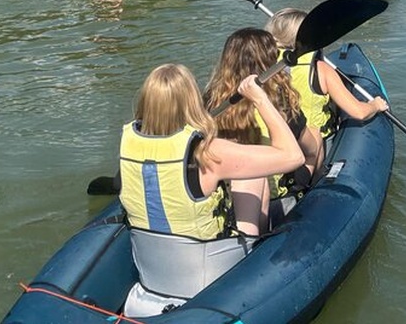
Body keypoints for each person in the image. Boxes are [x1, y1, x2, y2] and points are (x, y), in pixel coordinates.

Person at [119, 63, 302, 315]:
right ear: (191, 102)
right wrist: (260, 99)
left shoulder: (128, 145)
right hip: (209, 280)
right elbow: (293, 157)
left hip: (153, 278)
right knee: (251, 178)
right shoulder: (208, 152)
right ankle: (257, 252)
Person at [204, 28, 322, 220]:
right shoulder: (280, 103)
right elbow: (309, 149)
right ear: (270, 60)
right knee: (315, 137)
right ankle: (313, 195)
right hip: (276, 198)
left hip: (232, 198)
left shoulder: (211, 101)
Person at [265, 8, 389, 152]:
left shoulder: (262, 63)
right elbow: (359, 112)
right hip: (310, 144)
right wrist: (375, 105)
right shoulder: (321, 70)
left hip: (273, 140)